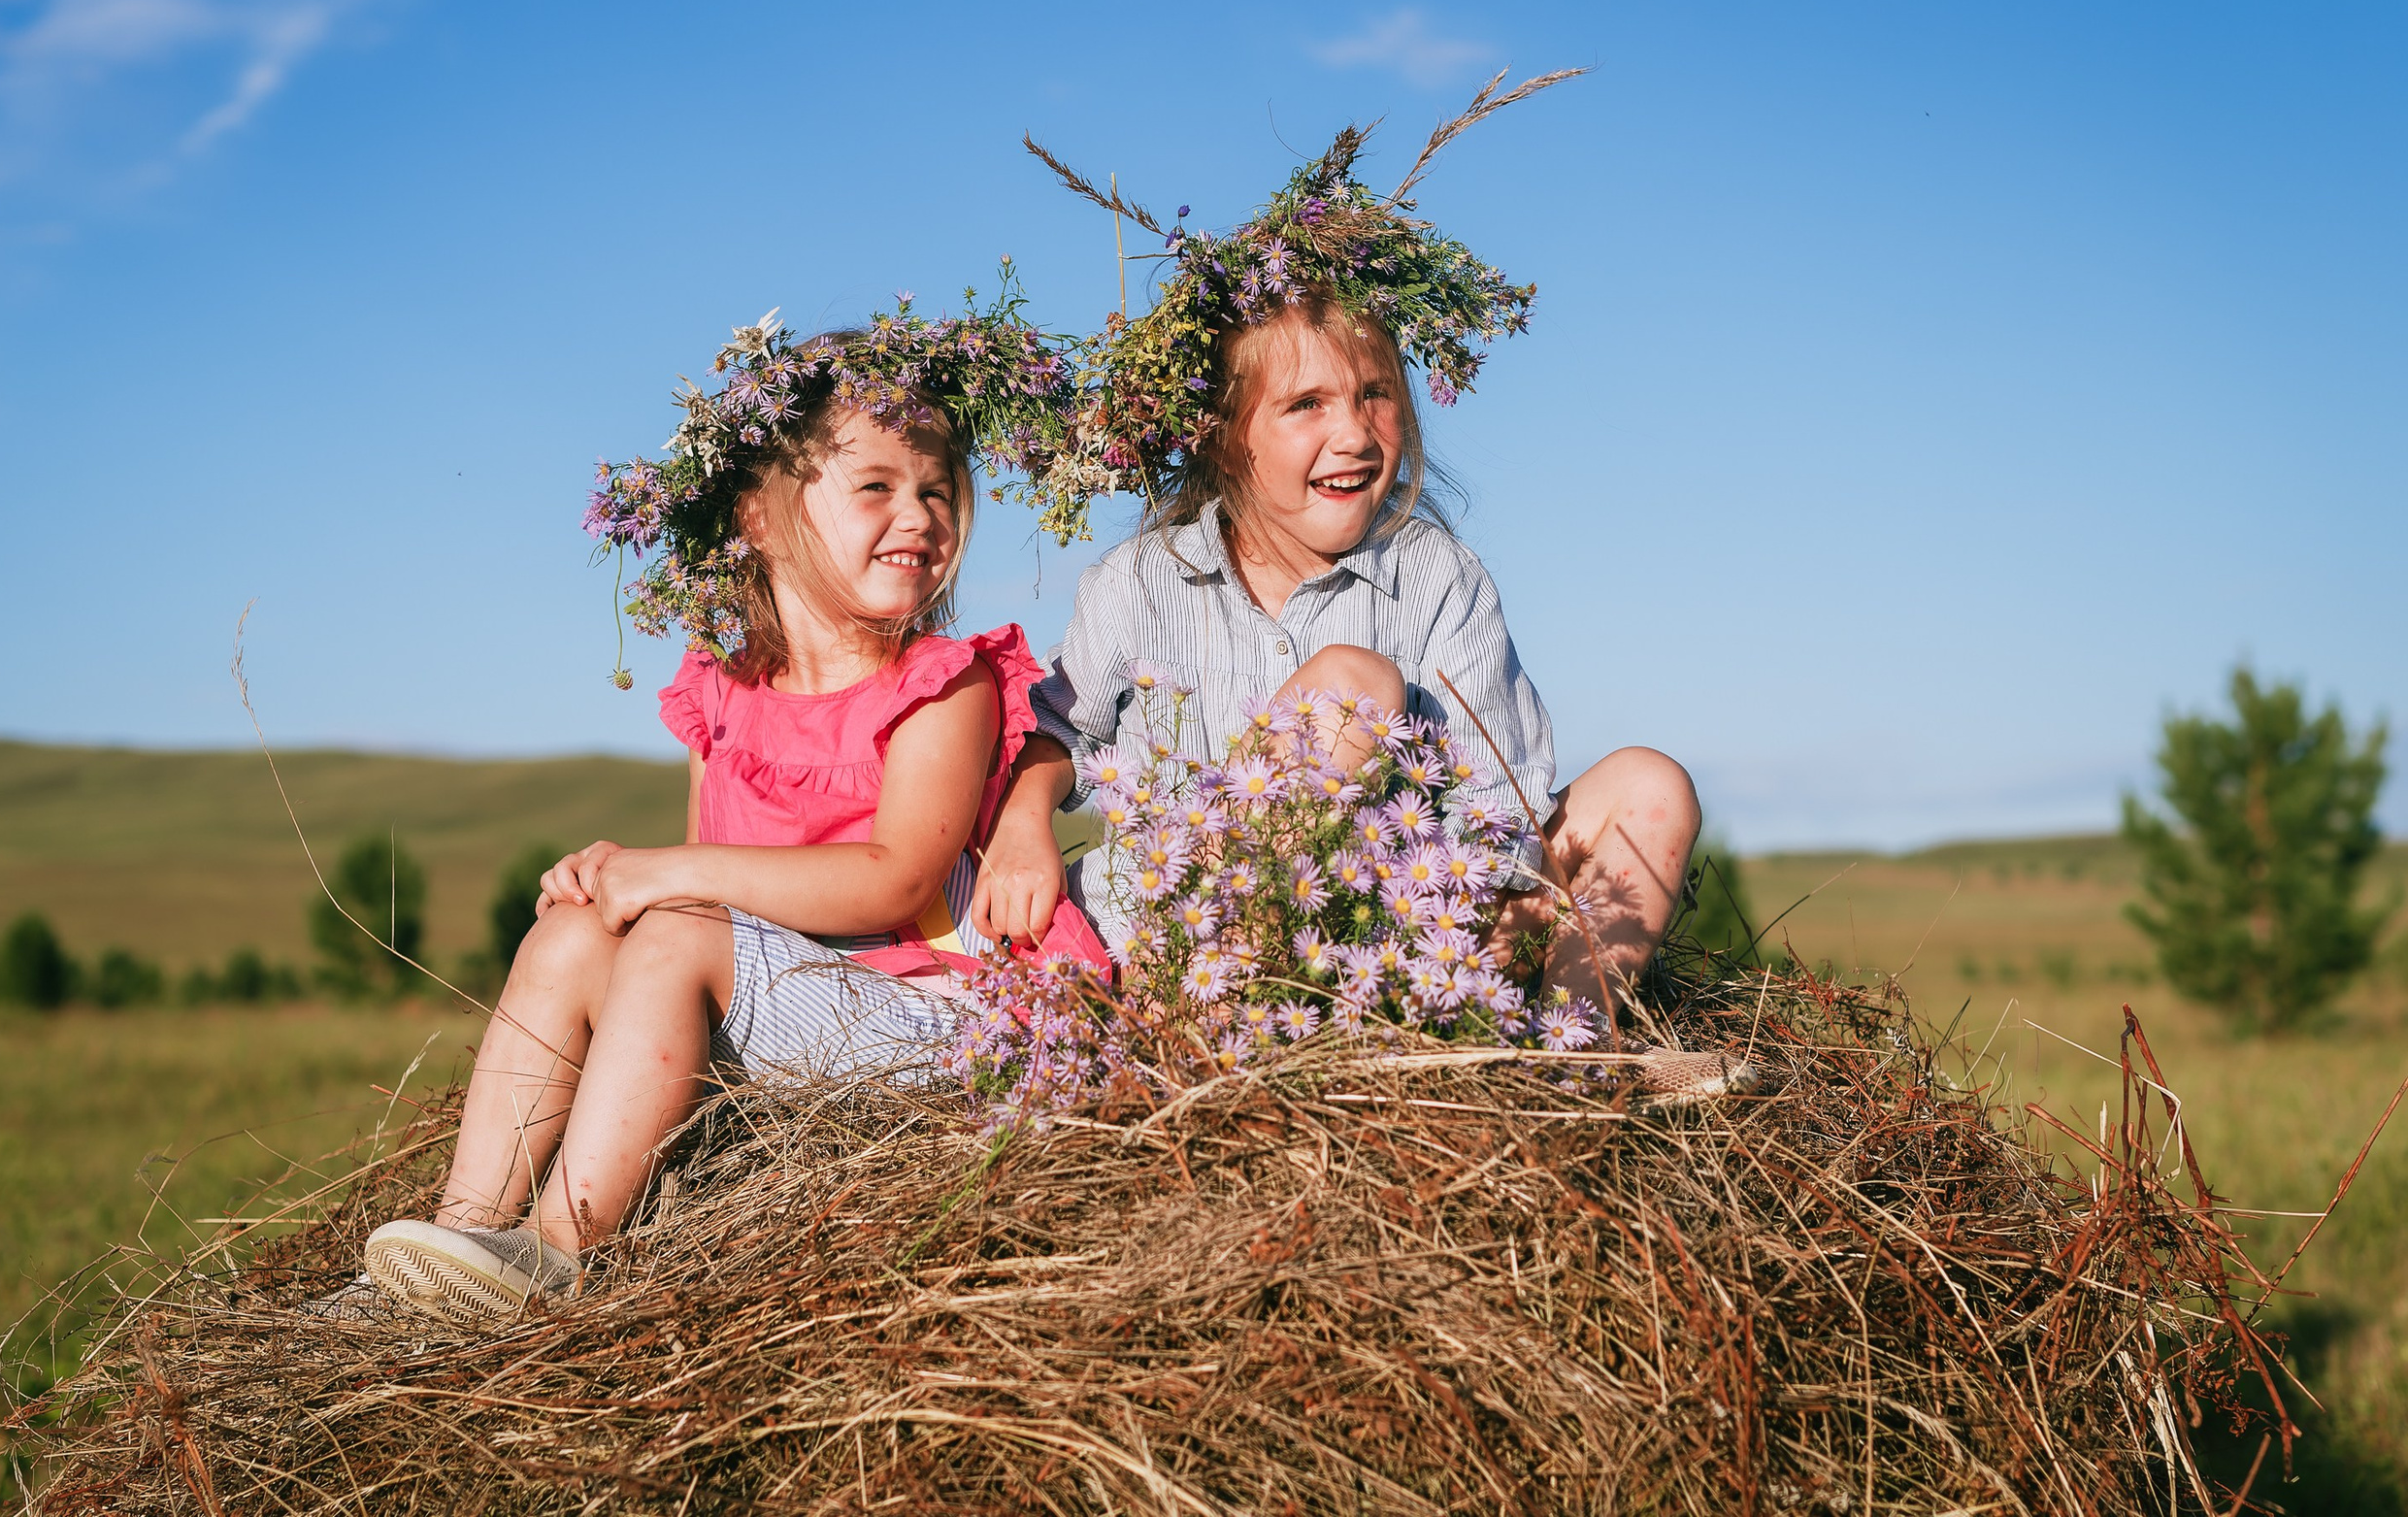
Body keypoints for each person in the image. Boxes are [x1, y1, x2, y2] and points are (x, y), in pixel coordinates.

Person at [975, 86, 1743, 1095]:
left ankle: (1562, 1066)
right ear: (1220, 433)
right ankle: (1195, 1047)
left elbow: (1499, 797)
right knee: (1353, 684)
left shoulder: (1435, 574)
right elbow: (1054, 736)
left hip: (1394, 944)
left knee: (1649, 784)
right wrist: (1028, 822)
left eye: (1374, 394)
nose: (1353, 433)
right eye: (1305, 404)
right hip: (1189, 952)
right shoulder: (1141, 580)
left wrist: (1434, 940)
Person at [347, 293, 1085, 1324]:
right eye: (876, 485)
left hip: (940, 1012)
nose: (919, 515)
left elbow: (896, 878)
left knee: (671, 926)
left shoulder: (944, 683)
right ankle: (462, 1232)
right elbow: (709, 889)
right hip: (802, 993)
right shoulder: (723, 687)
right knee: (573, 932)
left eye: (935, 489)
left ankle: (557, 1251)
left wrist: (668, 874)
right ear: (759, 518)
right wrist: (620, 886)